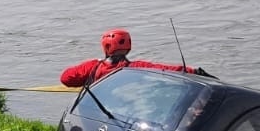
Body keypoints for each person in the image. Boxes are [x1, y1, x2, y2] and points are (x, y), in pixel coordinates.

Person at [59, 28, 204, 87]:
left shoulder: (92, 67)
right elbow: (165, 69)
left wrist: (92, 65)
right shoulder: (136, 68)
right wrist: (193, 71)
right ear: (128, 47)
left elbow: (66, 78)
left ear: (105, 47)